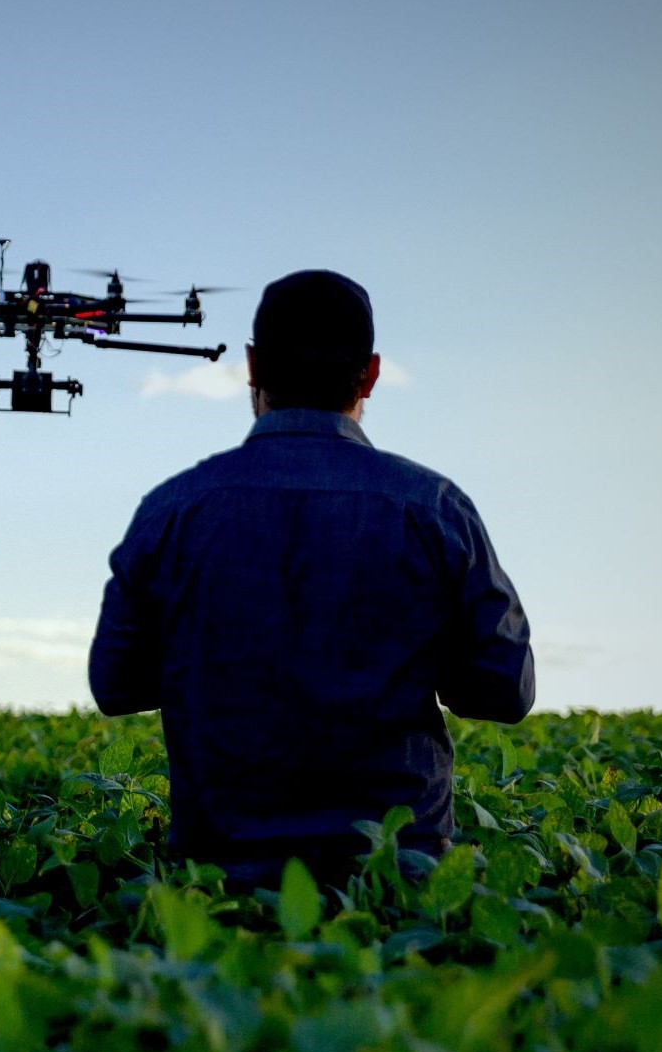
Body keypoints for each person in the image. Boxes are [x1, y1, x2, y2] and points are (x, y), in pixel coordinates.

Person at [88, 270, 533, 890]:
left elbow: (116, 685)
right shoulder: (433, 508)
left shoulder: (172, 510)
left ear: (251, 368)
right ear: (370, 374)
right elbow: (504, 691)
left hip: (219, 892)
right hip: (396, 884)